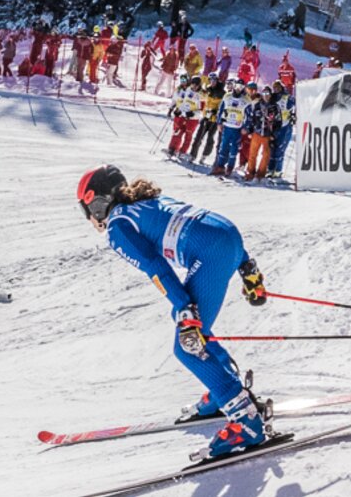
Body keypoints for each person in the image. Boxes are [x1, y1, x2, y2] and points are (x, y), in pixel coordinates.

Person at [77, 166, 272, 459]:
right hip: (228, 237)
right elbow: (212, 229)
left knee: (187, 346)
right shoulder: (142, 204)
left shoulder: (118, 224)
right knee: (191, 327)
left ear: (97, 201)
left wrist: (185, 309)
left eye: (86, 209)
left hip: (212, 253)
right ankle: (223, 390)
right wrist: (247, 268)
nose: (89, 217)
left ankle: (246, 421)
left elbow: (156, 267)